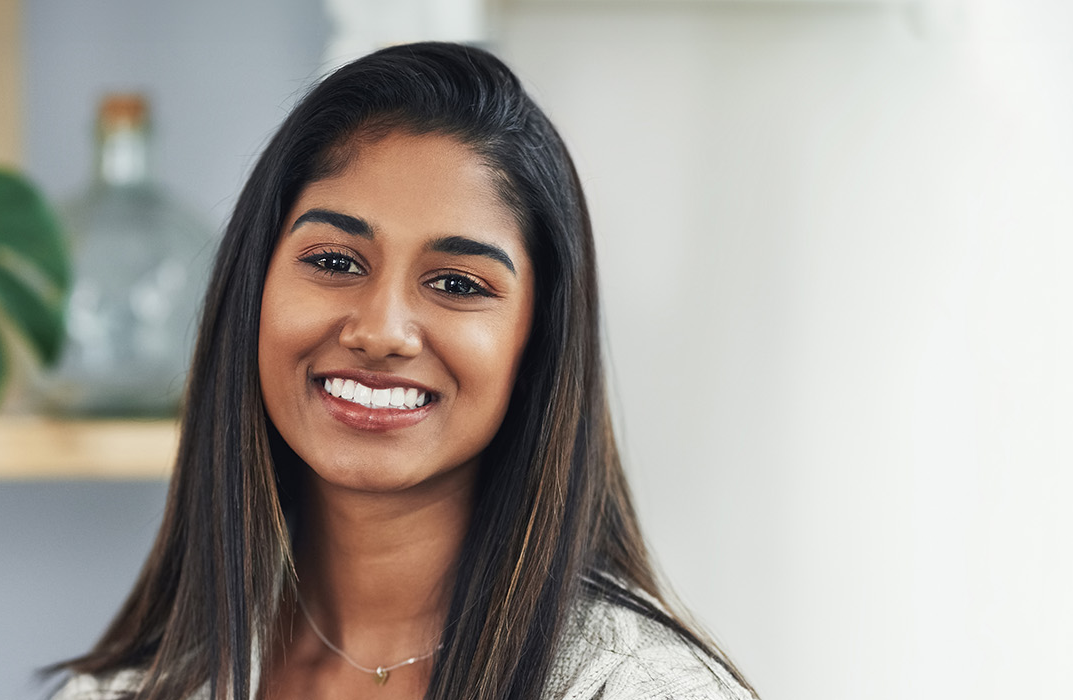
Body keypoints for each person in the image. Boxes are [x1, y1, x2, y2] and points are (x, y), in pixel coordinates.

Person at [49, 42, 755, 700]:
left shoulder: (642, 688)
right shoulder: (128, 689)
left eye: (457, 283)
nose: (381, 331)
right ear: (251, 292)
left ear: (536, 339)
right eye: (333, 262)